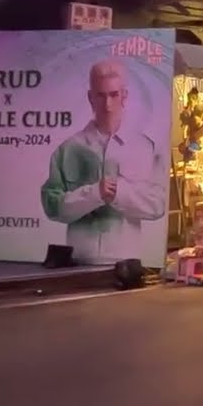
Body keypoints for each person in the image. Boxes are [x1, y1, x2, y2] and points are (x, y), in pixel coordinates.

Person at [41, 60, 166, 265]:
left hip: (127, 261)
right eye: (101, 95)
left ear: (124, 96)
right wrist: (93, 194)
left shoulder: (146, 148)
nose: (107, 104)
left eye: (114, 95)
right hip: (80, 259)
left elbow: (157, 205)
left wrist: (121, 193)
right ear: (91, 98)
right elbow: (53, 208)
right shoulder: (68, 149)